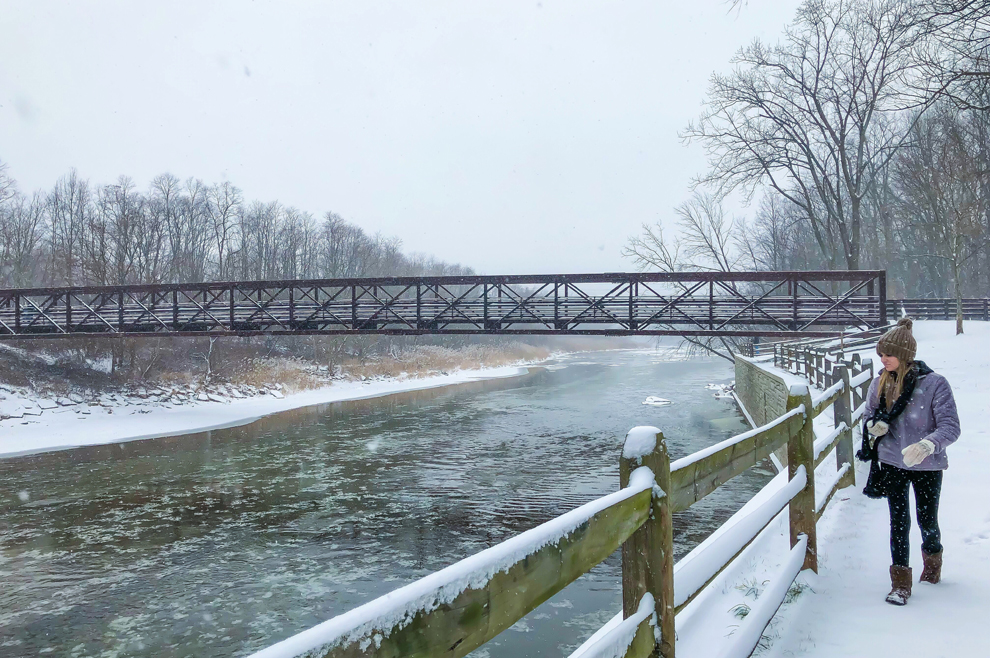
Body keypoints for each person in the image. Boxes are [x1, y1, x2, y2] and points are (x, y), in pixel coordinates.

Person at [858, 318, 960, 606]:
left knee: (927, 520)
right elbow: (868, 414)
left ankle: (932, 565)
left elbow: (951, 426)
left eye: (888, 354)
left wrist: (928, 444)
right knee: (898, 521)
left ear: (905, 355)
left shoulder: (935, 384)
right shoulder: (879, 383)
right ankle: (900, 584)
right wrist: (874, 426)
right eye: (880, 354)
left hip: (927, 464)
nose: (883, 359)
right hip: (891, 462)